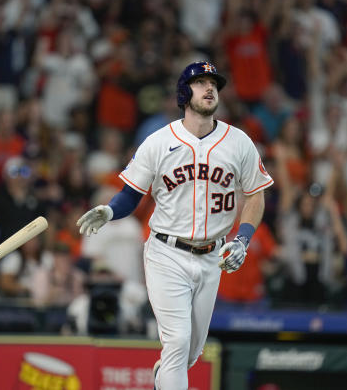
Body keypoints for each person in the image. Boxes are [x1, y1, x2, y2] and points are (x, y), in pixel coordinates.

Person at [77, 61, 273, 389]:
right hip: (167, 253)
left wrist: (242, 239)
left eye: (214, 83)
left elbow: (255, 195)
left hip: (212, 257)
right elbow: (130, 195)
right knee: (177, 343)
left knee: (192, 352)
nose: (210, 88)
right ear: (184, 93)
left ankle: (161, 379)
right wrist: (110, 212)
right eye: (201, 83)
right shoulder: (157, 142)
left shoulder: (238, 142)